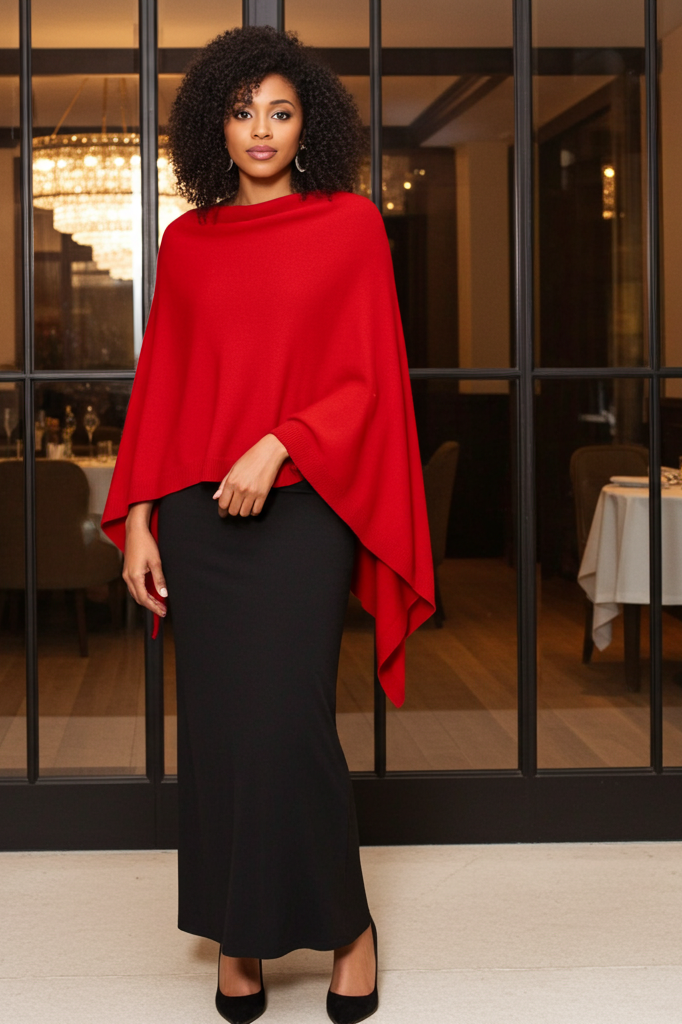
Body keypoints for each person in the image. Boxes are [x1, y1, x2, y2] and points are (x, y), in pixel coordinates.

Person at [102, 25, 434, 1024]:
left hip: (305, 509)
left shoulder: (350, 226)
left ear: (309, 124)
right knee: (216, 733)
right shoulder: (185, 242)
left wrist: (278, 442)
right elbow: (162, 387)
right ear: (214, 122)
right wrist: (141, 522)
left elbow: (369, 379)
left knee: (292, 726)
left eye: (281, 111)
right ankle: (237, 937)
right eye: (242, 111)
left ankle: (350, 927)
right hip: (198, 526)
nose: (259, 130)